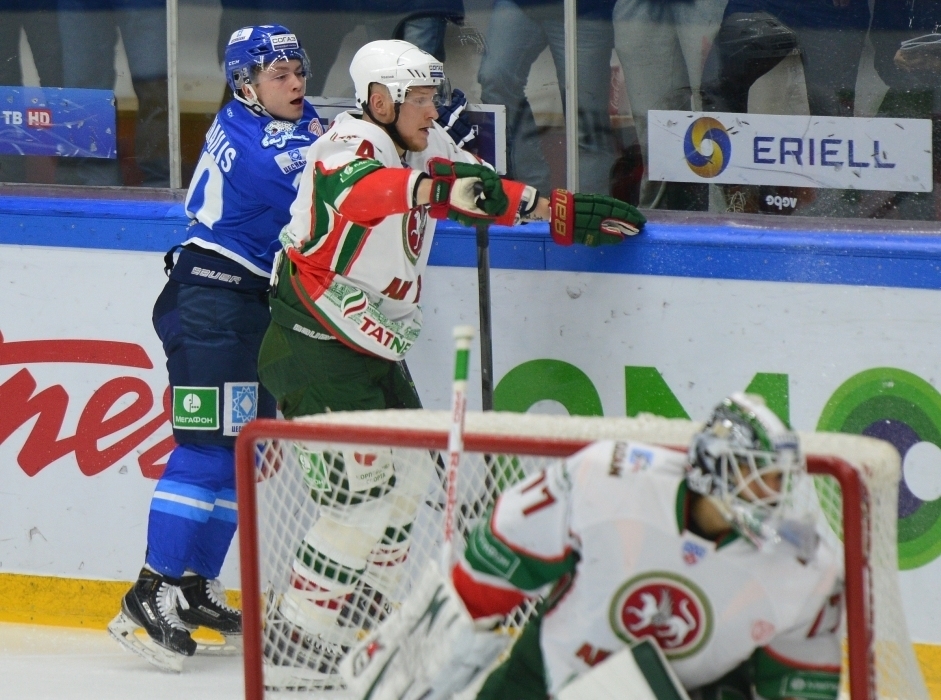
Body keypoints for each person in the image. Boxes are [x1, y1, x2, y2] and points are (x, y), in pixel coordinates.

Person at [254, 38, 645, 688]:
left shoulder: (425, 143)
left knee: (409, 486)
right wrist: (436, 188)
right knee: (358, 504)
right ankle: (296, 635)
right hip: (313, 343)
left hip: (372, 346)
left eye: (433, 97)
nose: (434, 110)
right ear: (380, 102)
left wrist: (555, 211)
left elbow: (481, 190)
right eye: (419, 98)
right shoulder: (346, 144)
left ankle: (361, 623)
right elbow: (362, 193)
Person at [344, 393, 845, 700]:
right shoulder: (611, 479)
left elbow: (794, 683)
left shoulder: (804, 567)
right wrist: (429, 650)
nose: (774, 493)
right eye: (761, 475)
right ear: (715, 466)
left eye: (780, 479)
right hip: (547, 676)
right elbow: (495, 570)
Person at [107, 25, 322, 672]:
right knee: (205, 448)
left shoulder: (281, 121)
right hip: (209, 302)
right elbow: (334, 185)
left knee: (238, 453)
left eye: (298, 70)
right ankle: (149, 591)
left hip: (246, 304)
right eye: (279, 74)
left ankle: (194, 586)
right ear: (245, 84)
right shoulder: (264, 154)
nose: (295, 83)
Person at [477, 0, 617, 196]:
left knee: (586, 117)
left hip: (585, 8)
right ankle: (531, 195)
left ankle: (589, 206)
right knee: (495, 78)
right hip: (520, 4)